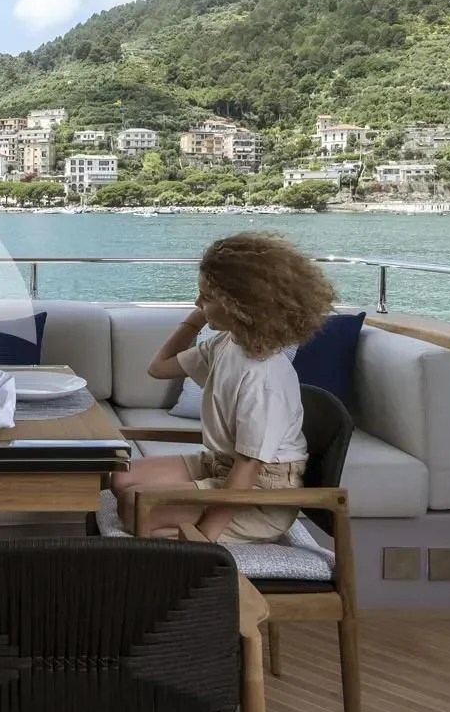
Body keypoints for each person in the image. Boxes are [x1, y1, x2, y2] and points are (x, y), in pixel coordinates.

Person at [111, 231, 335, 543]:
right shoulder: (227, 343)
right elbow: (159, 367)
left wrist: (205, 539)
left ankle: (197, 540)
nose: (197, 302)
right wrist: (196, 318)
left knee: (134, 506)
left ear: (240, 305)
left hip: (259, 494)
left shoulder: (263, 377)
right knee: (120, 478)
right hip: (222, 464)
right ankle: (165, 527)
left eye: (207, 297)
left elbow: (248, 470)